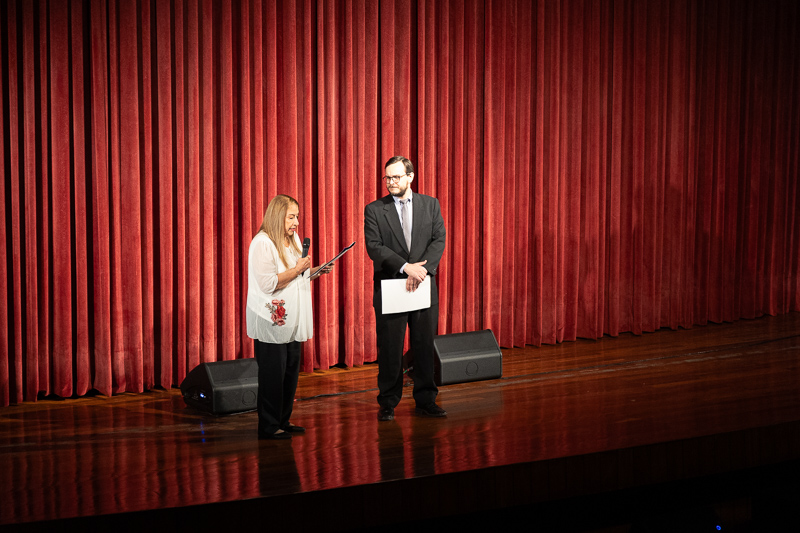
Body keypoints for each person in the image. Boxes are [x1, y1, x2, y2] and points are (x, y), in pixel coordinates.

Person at [364, 156, 447, 421]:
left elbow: (439, 239)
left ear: (410, 176)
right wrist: (405, 267)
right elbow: (374, 247)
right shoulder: (374, 209)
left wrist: (421, 270)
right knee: (390, 349)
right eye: (387, 177)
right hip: (391, 286)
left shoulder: (430, 204)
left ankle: (426, 400)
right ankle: (388, 402)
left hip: (423, 283)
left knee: (424, 346)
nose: (390, 182)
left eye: (396, 177)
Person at [246, 194, 332, 439]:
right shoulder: (262, 243)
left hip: (293, 318)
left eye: (297, 217)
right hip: (271, 320)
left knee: (290, 373)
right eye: (291, 217)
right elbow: (269, 284)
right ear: (277, 216)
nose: (297, 222)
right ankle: (269, 426)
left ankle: (283, 420)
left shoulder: (292, 239)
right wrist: (298, 270)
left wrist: (314, 271)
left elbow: (296, 277)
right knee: (272, 375)